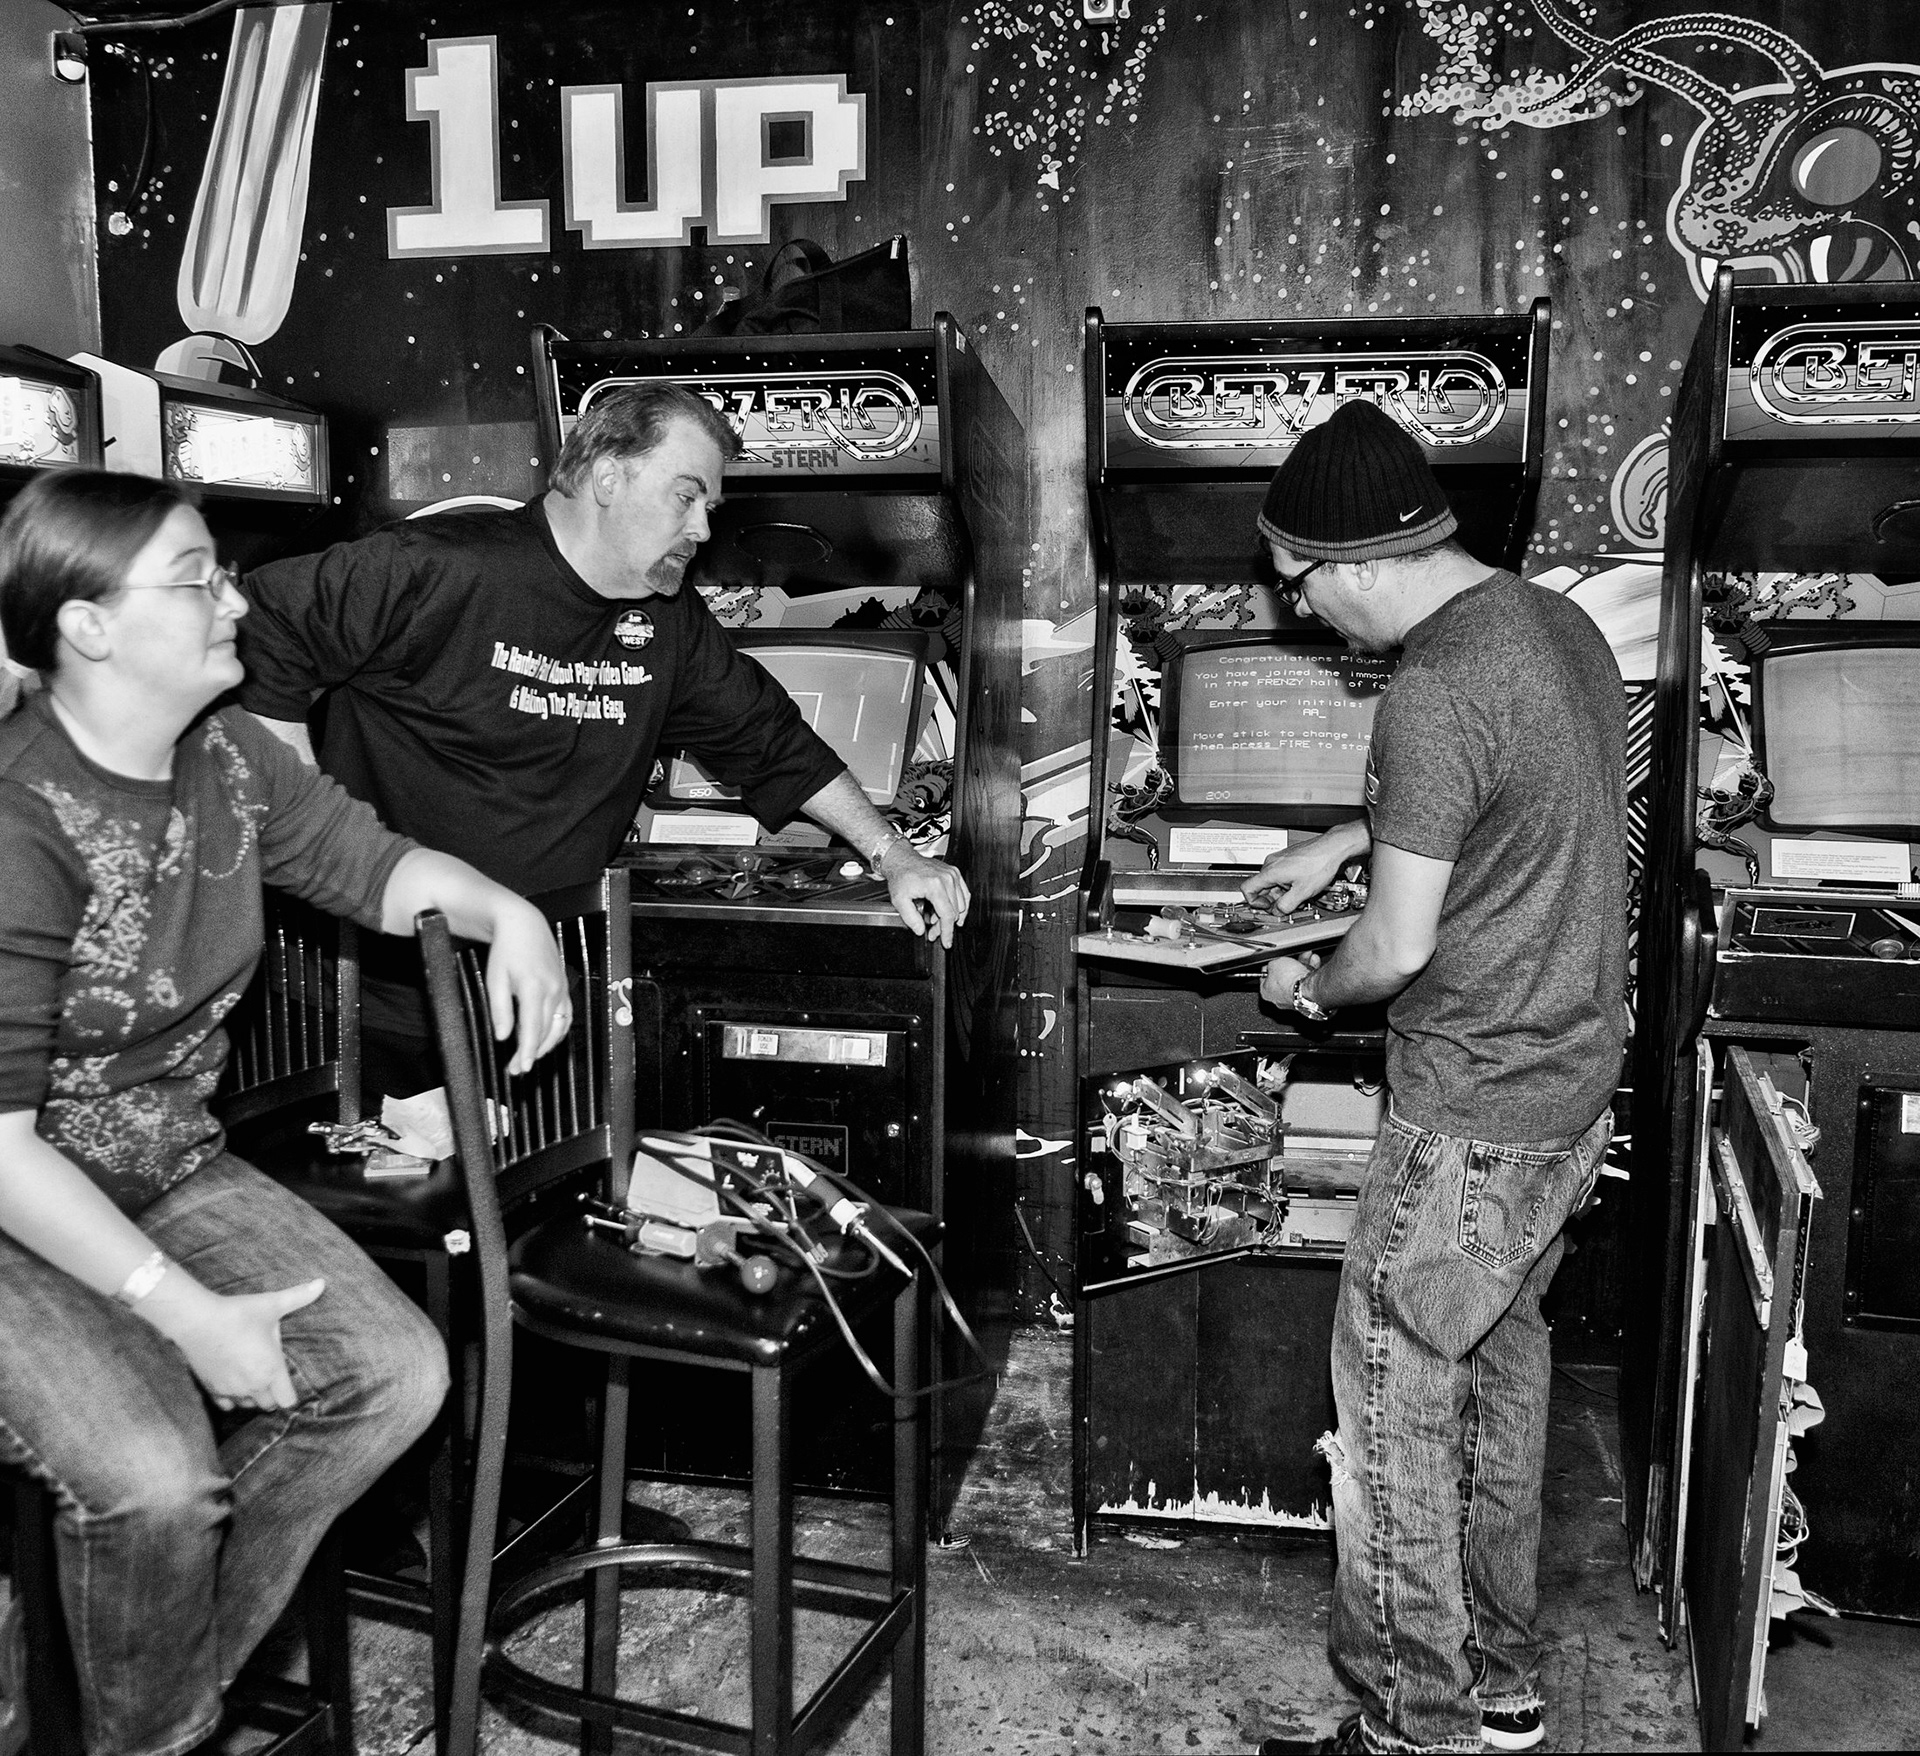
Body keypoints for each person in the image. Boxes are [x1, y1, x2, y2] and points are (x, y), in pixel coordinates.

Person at [0, 469, 573, 1755]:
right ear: (88, 625)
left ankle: (123, 1705)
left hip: (159, 1159)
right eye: (195, 579)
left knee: (391, 1376)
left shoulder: (228, 755)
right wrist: (183, 1310)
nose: (236, 601)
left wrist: (512, 914)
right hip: (16, 1195)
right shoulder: (17, 818)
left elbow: (374, 865)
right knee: (157, 1482)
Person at [234, 381, 970, 1093]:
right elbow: (261, 623)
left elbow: (773, 741)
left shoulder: (668, 621)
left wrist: (895, 855)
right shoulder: (439, 565)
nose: (702, 529)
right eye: (686, 496)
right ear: (608, 475)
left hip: (541, 986)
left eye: (710, 508)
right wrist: (310, 821)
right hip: (366, 1004)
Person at [1245, 402, 1627, 1756]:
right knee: (1499, 1385)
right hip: (1566, 1087)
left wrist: (1308, 985)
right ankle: (1501, 1685)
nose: (1299, 610)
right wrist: (1343, 837)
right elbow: (1510, 793)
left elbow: (1396, 950)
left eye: (1298, 584)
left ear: (1353, 563)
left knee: (1393, 1417)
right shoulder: (1554, 626)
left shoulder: (1432, 685)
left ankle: (1414, 1726)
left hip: (1469, 1109)